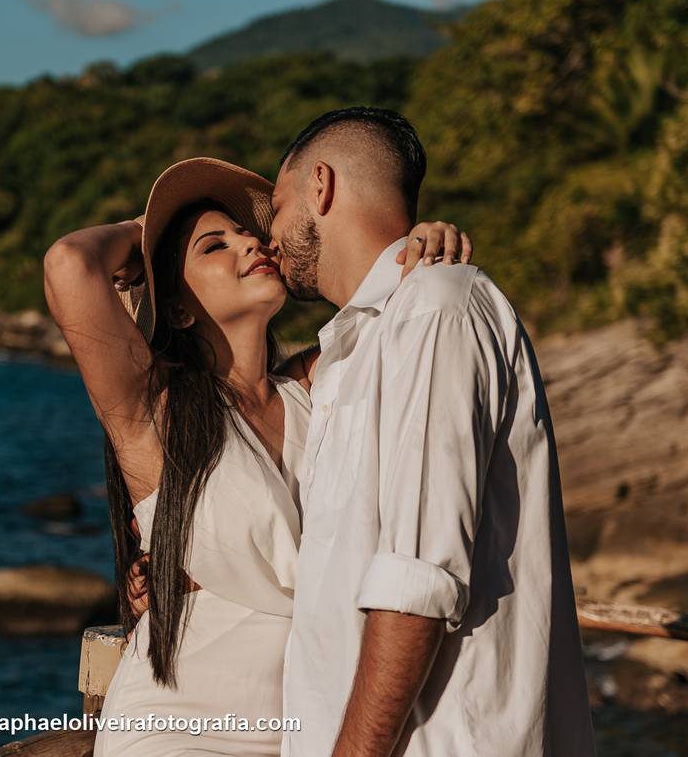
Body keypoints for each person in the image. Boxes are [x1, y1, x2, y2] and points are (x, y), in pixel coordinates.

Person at [43, 157, 470, 757]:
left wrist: (419, 249)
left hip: (306, 729)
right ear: (180, 308)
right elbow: (69, 265)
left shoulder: (323, 385)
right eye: (215, 246)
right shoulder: (155, 408)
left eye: (249, 234)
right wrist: (146, 233)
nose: (250, 244)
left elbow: (394, 313)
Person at [270, 107, 595, 756]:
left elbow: (415, 580)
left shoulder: (437, 307)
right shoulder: (346, 356)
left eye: (275, 208)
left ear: (321, 185)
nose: (269, 236)